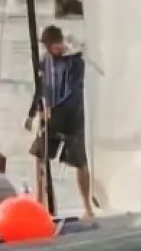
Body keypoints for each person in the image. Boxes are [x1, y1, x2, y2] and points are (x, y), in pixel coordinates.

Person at [27, 24, 94, 221]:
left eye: (52, 46)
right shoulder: (44, 61)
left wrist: (52, 108)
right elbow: (41, 88)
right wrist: (33, 112)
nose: (50, 50)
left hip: (73, 116)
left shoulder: (75, 62)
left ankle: (87, 206)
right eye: (47, 47)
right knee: (40, 155)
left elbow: (74, 92)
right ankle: (41, 202)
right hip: (49, 116)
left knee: (80, 162)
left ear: (60, 43)